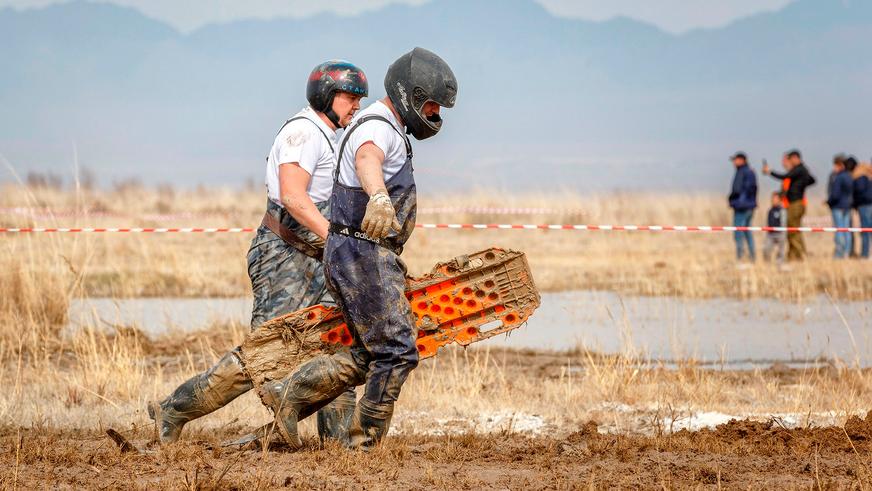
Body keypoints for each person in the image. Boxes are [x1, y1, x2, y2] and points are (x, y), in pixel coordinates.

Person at [147, 60, 368, 444]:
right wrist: (338, 242)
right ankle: (173, 409)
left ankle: (339, 442)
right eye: (350, 97)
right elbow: (293, 197)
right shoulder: (304, 132)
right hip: (284, 254)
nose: (357, 106)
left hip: (317, 257)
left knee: (336, 339)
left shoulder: (330, 135)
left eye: (359, 99)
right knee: (267, 354)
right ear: (327, 96)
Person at [250, 47, 458, 451]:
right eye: (432, 105)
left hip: (362, 254)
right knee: (397, 350)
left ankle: (289, 396)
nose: (435, 114)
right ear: (412, 95)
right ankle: (362, 444)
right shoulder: (377, 129)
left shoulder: (382, 124)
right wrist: (378, 195)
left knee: (367, 351)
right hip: (362, 255)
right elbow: (367, 160)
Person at [763, 150, 816, 261]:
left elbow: (785, 176)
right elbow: (811, 180)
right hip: (794, 203)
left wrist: (770, 172)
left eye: (790, 159)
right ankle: (794, 255)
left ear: (795, 158)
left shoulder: (799, 169)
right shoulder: (801, 170)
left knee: (793, 230)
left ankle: (799, 254)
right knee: (793, 230)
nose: (789, 162)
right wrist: (800, 184)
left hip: (796, 204)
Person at [728, 152, 757, 262]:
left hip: (742, 207)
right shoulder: (747, 171)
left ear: (742, 160)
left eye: (735, 160)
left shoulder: (744, 172)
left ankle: (741, 258)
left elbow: (739, 189)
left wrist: (735, 200)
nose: (734, 162)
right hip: (747, 206)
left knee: (738, 233)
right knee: (747, 232)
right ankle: (751, 257)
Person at [827, 155, 854, 258]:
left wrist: (829, 202)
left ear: (840, 165)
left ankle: (839, 253)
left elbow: (835, 194)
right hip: (847, 206)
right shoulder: (849, 176)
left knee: (839, 230)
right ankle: (847, 252)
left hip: (838, 207)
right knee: (847, 230)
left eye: (835, 165)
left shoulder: (839, 177)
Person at [853, 158, 872, 258]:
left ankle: (865, 254)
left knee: (866, 230)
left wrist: (856, 204)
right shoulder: (867, 178)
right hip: (866, 205)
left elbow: (860, 193)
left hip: (865, 206)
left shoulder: (861, 178)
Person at [762, 192, 786, 264]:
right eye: (772, 198)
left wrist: (783, 234)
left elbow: (784, 223)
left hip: (780, 233)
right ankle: (767, 264)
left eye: (775, 198)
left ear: (779, 200)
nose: (773, 200)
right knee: (766, 249)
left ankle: (779, 263)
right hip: (770, 234)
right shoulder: (770, 210)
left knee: (781, 250)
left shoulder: (782, 210)